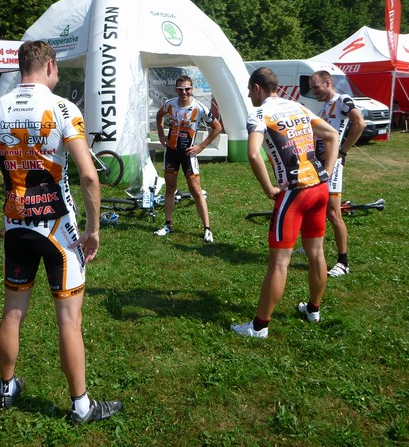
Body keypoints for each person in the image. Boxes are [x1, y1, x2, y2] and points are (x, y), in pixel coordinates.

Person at [0, 40, 122, 424]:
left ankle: (6, 387)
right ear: (49, 66)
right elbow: (88, 176)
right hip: (59, 231)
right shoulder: (63, 108)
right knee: (69, 321)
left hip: (16, 226)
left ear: (21, 67)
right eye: (57, 69)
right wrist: (93, 228)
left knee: (13, 312)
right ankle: (81, 405)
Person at [231, 67, 339, 338]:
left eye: (249, 91)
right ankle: (313, 309)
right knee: (317, 254)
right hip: (319, 189)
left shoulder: (259, 114)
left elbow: (253, 154)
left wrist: (268, 187)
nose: (249, 96)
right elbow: (332, 135)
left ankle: (259, 326)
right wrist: (326, 171)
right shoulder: (297, 106)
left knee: (279, 263)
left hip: (293, 194)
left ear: (257, 88)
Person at [308, 70, 366, 277]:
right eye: (311, 88)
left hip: (333, 165)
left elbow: (359, 123)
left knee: (333, 213)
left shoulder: (342, 100)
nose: (313, 91)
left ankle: (343, 261)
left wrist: (341, 152)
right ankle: (313, 246)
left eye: (316, 87)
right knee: (316, 207)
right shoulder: (323, 109)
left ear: (328, 83)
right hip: (319, 164)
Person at [154, 75, 223, 242]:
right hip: (171, 152)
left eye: (187, 89)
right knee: (170, 188)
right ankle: (168, 224)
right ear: (176, 90)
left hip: (188, 154)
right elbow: (159, 115)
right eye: (180, 89)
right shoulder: (170, 104)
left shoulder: (199, 108)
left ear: (191, 89)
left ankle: (207, 229)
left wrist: (201, 146)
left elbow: (217, 127)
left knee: (196, 190)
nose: (183, 92)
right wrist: (161, 135)